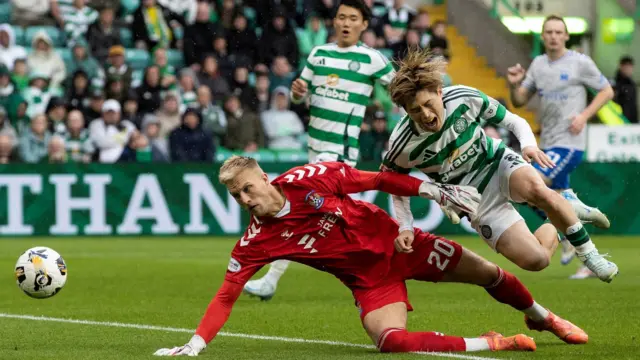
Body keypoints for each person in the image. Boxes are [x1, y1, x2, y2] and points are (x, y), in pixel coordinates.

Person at [154, 156, 588, 357]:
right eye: (235, 195)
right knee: (390, 342)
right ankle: (494, 342)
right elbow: (227, 295)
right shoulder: (256, 241)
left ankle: (542, 316)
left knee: (491, 275)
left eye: (248, 188)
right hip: (370, 282)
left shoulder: (312, 179)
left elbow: (379, 178)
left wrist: (429, 189)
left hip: (406, 246)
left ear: (264, 177)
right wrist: (194, 345)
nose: (245, 199)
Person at [383, 47, 618, 283]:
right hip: (474, 201)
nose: (425, 114)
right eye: (415, 110)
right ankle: (565, 206)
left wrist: (527, 145)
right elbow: (394, 185)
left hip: (497, 163)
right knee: (536, 260)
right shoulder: (402, 144)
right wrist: (406, 226)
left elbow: (513, 120)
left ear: (439, 91)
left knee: (537, 190)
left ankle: (590, 255)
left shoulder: (463, 97)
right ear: (405, 111)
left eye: (428, 103)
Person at [244, 0, 396, 299]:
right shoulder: (319, 53)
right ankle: (387, 260)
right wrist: (298, 93)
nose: (346, 23)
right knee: (323, 220)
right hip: (315, 151)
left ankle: (271, 279)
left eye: (353, 18)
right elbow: (301, 96)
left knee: (293, 207)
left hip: (338, 156)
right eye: (341, 17)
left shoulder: (371, 59)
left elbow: (401, 87)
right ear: (334, 21)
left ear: (364, 25)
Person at [507, 15, 615, 276]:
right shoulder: (539, 65)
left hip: (570, 143)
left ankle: (573, 224)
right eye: (549, 32)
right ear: (543, 37)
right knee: (554, 202)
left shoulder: (580, 62)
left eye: (558, 32)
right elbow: (520, 100)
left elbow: (606, 91)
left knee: (533, 182)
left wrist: (583, 116)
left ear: (566, 36)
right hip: (547, 143)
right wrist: (513, 86)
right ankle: (584, 253)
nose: (554, 36)